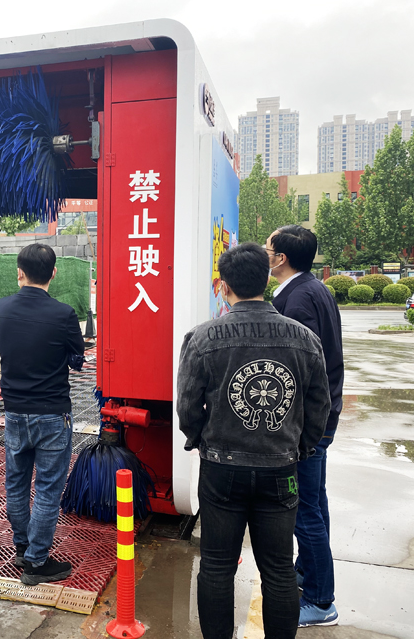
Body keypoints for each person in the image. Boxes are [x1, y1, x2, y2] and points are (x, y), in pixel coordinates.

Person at [177, 242, 331, 639]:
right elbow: (320, 406)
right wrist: (299, 448)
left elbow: (188, 406)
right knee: (279, 569)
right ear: (265, 279)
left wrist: (200, 441)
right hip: (281, 469)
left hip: (221, 469)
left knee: (216, 566)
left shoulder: (203, 337)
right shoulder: (303, 338)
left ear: (223, 286)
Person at [0, 243, 84, 586]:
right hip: (52, 414)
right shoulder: (63, 314)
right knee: (47, 488)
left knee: (16, 482)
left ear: (19, 272)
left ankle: (21, 546)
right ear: (54, 273)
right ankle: (36, 562)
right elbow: (77, 355)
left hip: (14, 412)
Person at [267, 225, 344, 628]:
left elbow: (300, 373)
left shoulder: (297, 302)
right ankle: (308, 571)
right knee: (316, 503)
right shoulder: (313, 289)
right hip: (323, 417)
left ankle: (319, 600)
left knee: (304, 511)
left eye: (269, 248)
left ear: (281, 259)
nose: (265, 253)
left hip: (307, 424)